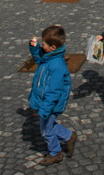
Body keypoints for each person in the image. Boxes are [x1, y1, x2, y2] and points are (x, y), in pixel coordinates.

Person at [28, 25, 77, 166]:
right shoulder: (49, 57)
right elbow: (39, 59)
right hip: (44, 102)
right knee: (48, 126)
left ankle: (55, 153)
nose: (41, 45)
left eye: (43, 44)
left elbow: (53, 92)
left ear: (53, 47)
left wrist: (44, 109)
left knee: (46, 130)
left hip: (50, 104)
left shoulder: (56, 66)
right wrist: (34, 47)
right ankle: (68, 136)